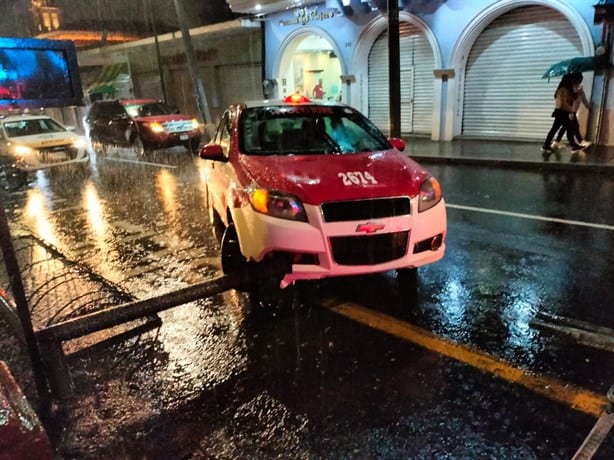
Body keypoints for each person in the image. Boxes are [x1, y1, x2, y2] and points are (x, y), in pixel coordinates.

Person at [541, 74, 585, 156]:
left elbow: (569, 100)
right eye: (572, 80)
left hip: (563, 112)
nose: (573, 82)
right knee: (564, 128)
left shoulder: (566, 89)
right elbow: (563, 103)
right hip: (562, 112)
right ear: (568, 81)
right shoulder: (562, 90)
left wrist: (576, 93)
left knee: (565, 128)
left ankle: (548, 145)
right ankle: (547, 145)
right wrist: (571, 110)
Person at [551, 73, 591, 151]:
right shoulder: (569, 89)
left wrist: (588, 107)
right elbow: (566, 100)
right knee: (574, 126)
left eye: (581, 80)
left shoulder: (580, 89)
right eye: (579, 80)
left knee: (565, 127)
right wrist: (575, 93)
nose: (580, 81)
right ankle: (579, 142)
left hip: (571, 111)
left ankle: (556, 142)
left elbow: (584, 100)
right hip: (569, 111)